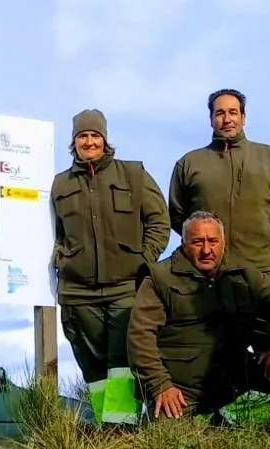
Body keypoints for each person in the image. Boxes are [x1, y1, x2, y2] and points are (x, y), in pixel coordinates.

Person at [51, 108, 170, 426]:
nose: (89, 142)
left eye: (95, 135)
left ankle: (123, 428)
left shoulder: (133, 175)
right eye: (82, 136)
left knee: (123, 362)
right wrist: (62, 259)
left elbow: (159, 222)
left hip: (125, 288)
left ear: (105, 140)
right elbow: (55, 233)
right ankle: (108, 425)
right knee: (92, 366)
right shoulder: (60, 184)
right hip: (78, 293)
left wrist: (144, 261)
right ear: (73, 142)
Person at [127, 211, 270, 423]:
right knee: (167, 432)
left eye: (213, 241)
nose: (206, 250)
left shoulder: (244, 274)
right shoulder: (159, 278)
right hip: (181, 388)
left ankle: (229, 417)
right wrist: (160, 386)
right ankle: (213, 420)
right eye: (197, 242)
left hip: (234, 379)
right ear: (183, 243)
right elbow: (140, 337)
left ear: (224, 243)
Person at [168, 89, 270, 274]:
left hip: (267, 269)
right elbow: (177, 216)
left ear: (243, 117)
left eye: (233, 112)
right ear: (211, 119)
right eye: (220, 113)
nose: (227, 119)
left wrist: (266, 236)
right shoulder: (189, 163)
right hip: (210, 274)